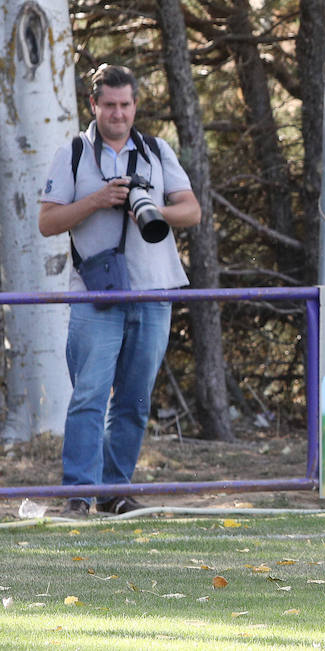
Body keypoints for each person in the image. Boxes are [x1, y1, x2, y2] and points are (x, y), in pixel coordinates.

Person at [39, 65, 201, 518]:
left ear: (134, 105)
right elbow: (47, 222)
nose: (118, 113)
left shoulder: (155, 149)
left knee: (133, 399)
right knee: (89, 394)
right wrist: (98, 200)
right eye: (109, 104)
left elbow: (192, 212)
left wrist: (153, 209)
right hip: (96, 292)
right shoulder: (73, 152)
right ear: (94, 105)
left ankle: (114, 492)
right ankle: (79, 494)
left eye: (125, 105)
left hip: (153, 291)